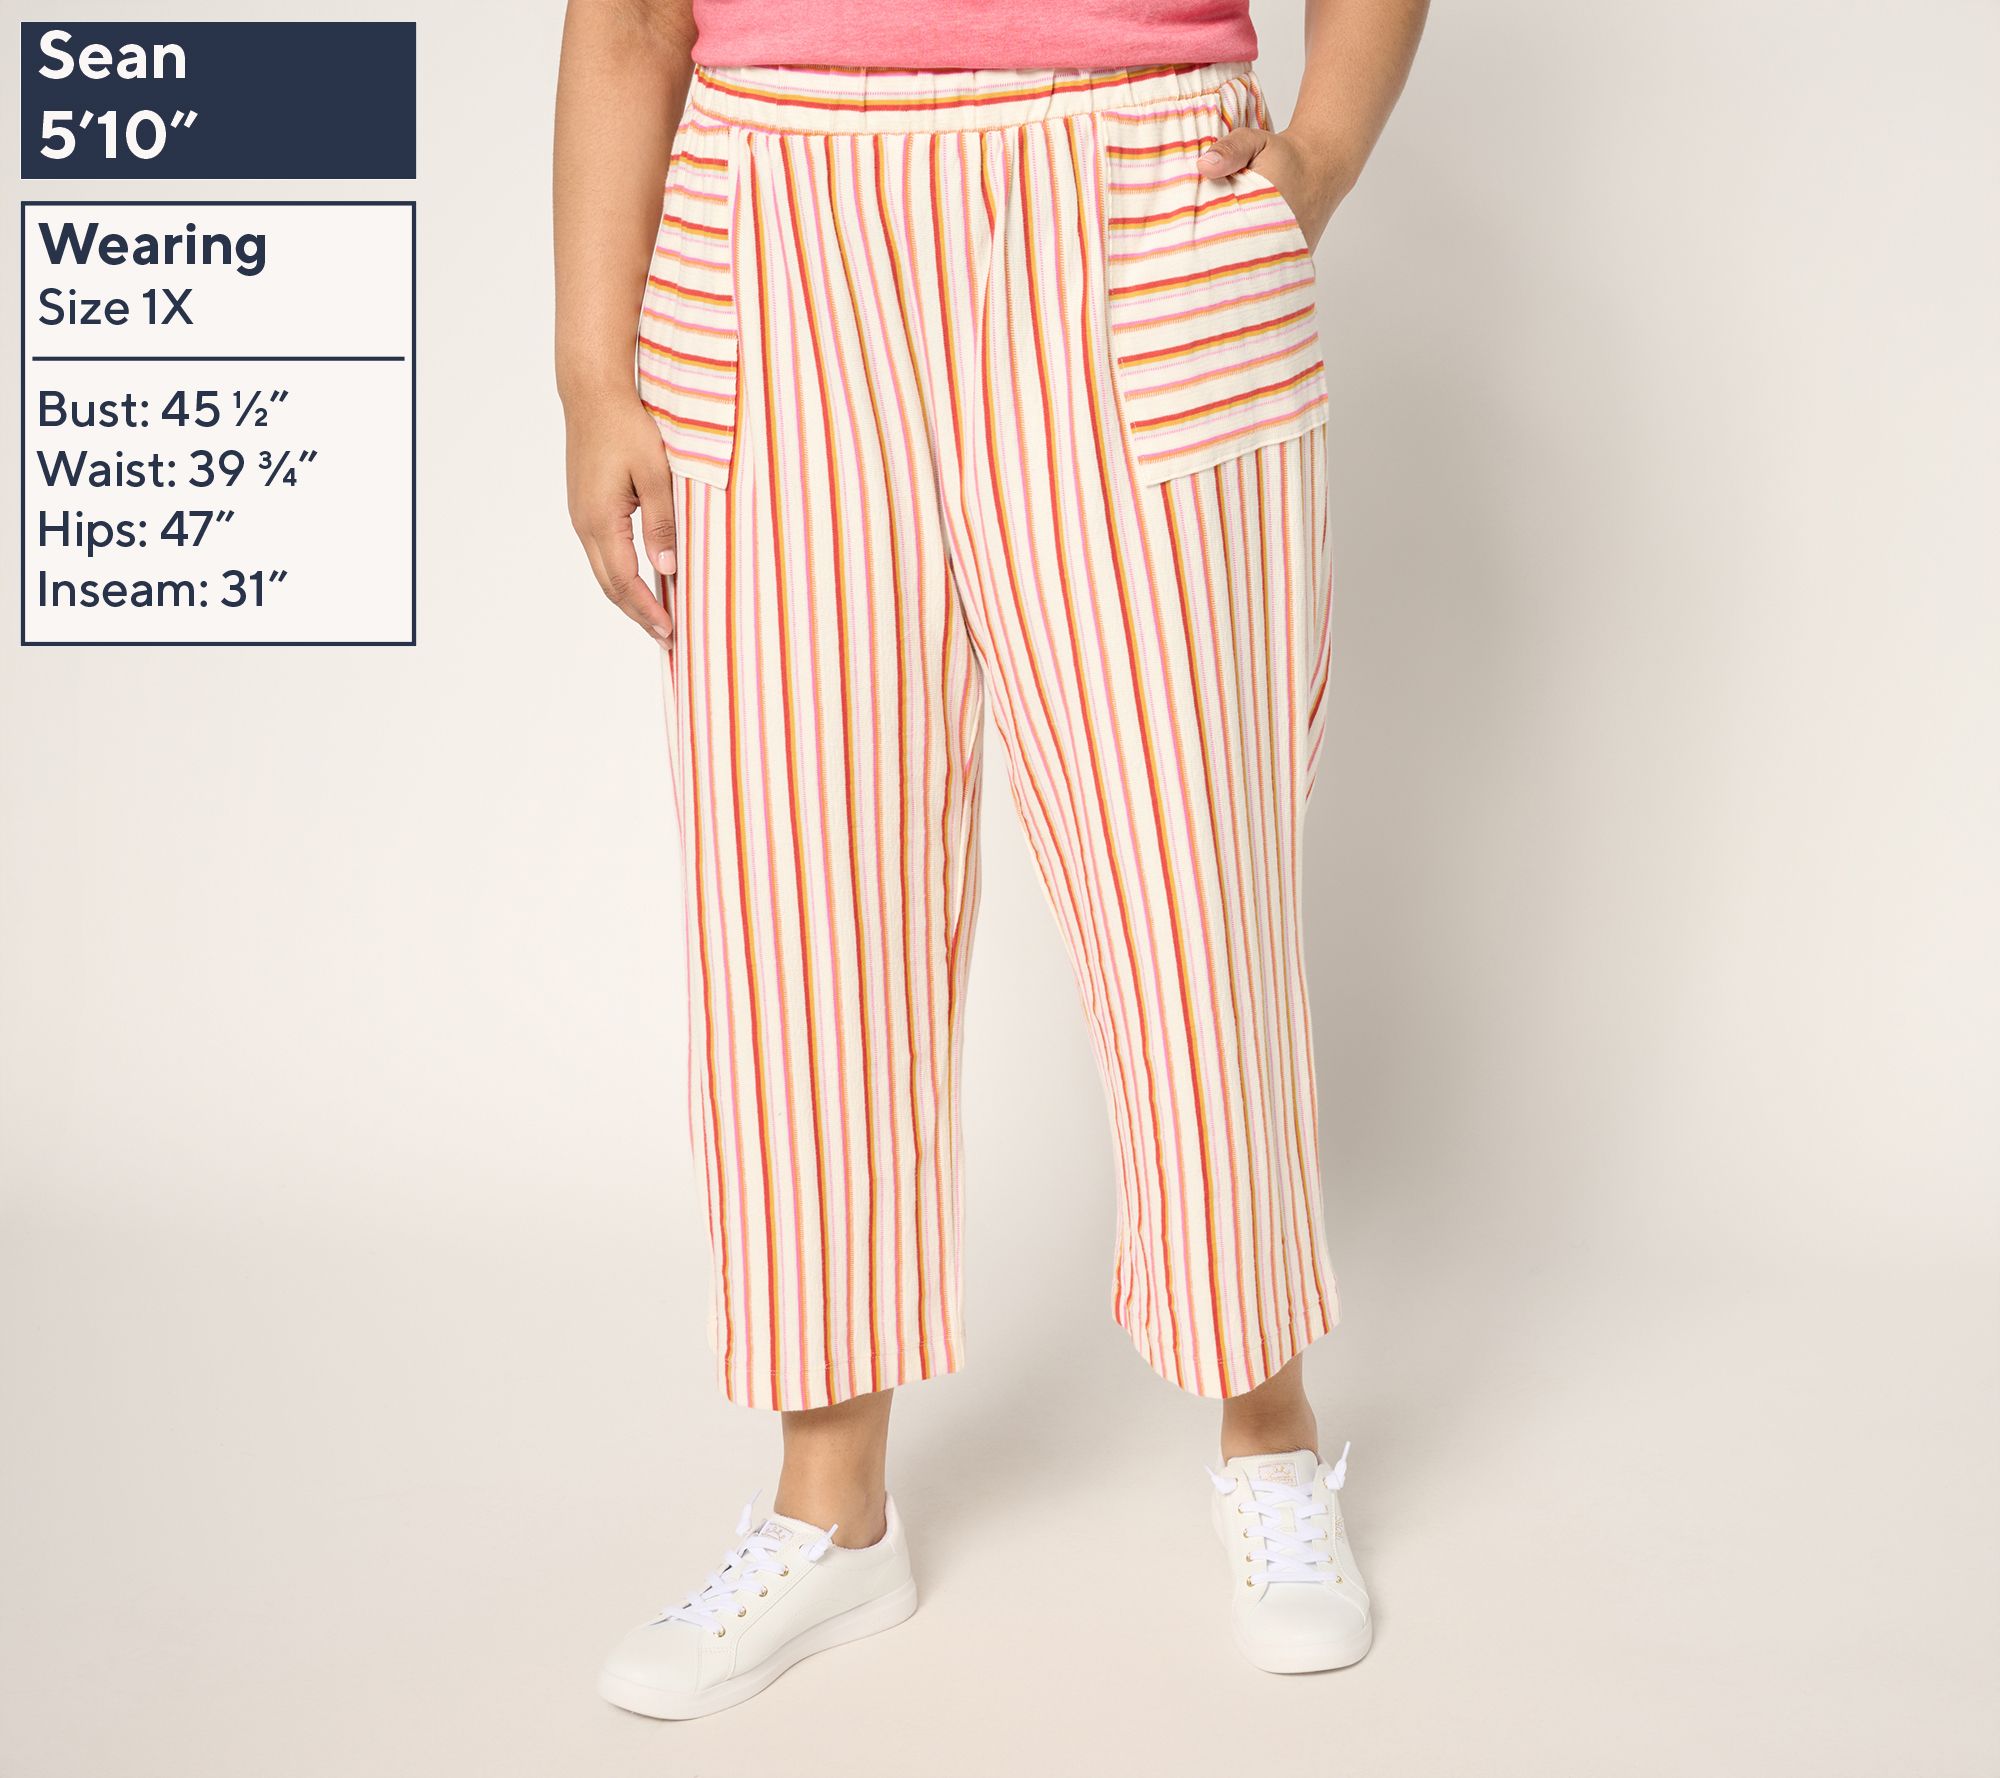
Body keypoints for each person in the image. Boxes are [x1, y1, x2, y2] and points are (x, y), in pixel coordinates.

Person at [554, 0, 1427, 1719]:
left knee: (1191, 865)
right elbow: (634, 15)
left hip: (1130, 192)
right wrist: (592, 374)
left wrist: (1314, 161)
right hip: (772, 214)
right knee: (800, 882)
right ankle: (832, 1506)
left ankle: (1269, 1437)